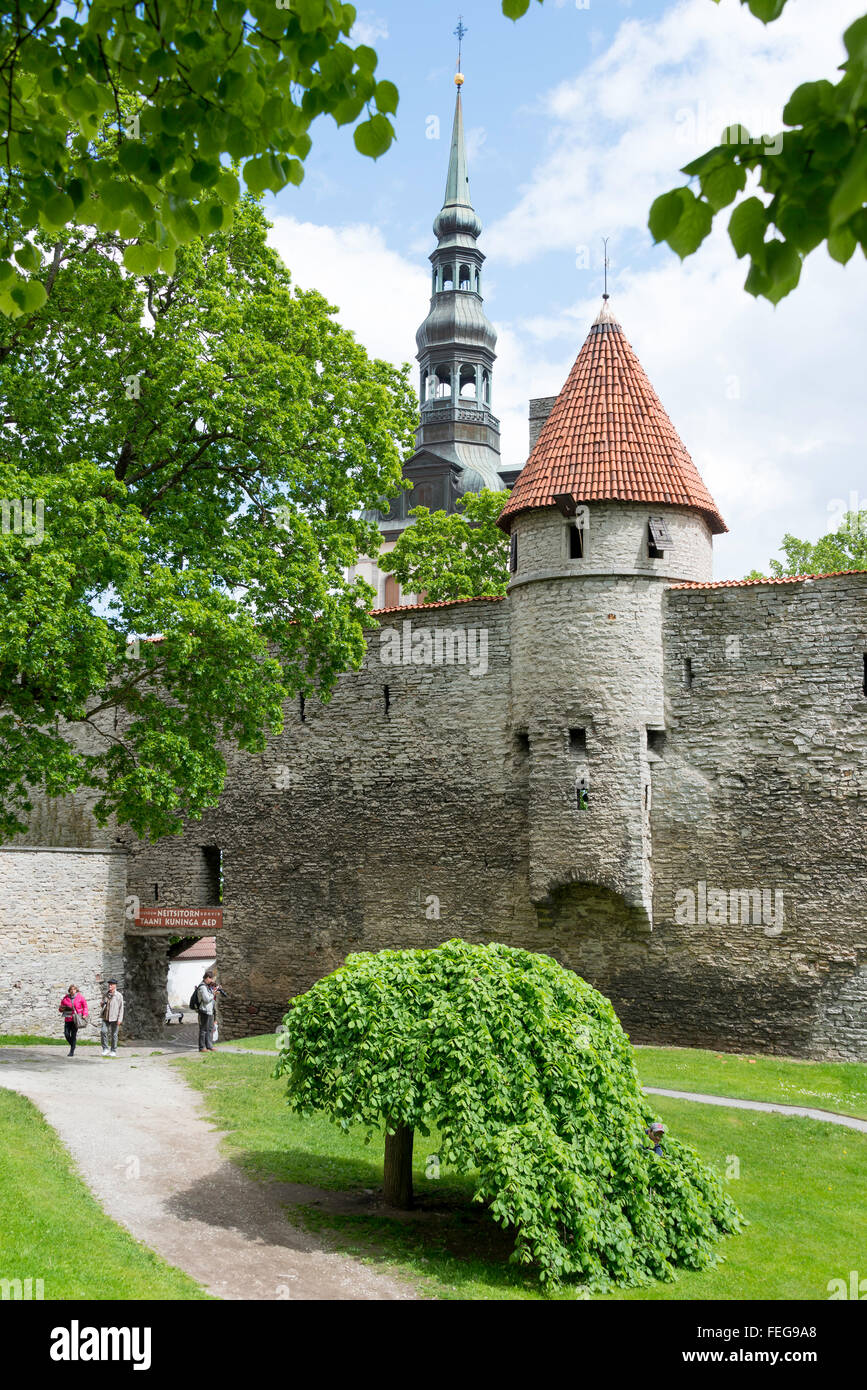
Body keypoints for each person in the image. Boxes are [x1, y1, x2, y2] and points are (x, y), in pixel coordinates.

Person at [195, 970, 225, 1053]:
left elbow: (209, 995)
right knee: (203, 1029)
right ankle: (202, 1047)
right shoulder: (202, 987)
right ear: (207, 978)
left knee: (210, 1029)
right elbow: (206, 999)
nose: (212, 981)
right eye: (211, 979)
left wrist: (214, 990)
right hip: (204, 1010)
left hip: (210, 1011)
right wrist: (214, 994)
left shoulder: (207, 986)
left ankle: (209, 1046)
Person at [58, 985, 88, 1057]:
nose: (72, 991)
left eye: (74, 989)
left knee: (73, 1034)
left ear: (76, 990)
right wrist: (61, 1009)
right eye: (71, 989)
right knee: (66, 1034)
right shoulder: (66, 998)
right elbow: (61, 1008)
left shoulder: (80, 997)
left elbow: (85, 1006)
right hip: (68, 1018)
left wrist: (85, 1014)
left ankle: (72, 1051)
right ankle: (73, 1045)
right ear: (69, 991)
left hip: (76, 1019)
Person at [100, 979, 124, 1057]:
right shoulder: (105, 994)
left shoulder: (119, 995)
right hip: (105, 1017)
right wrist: (102, 1004)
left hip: (115, 1017)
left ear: (115, 985)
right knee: (103, 1031)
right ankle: (105, 1049)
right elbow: (104, 1004)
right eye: (109, 984)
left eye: (111, 984)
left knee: (114, 1034)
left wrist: (120, 1019)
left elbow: (121, 1008)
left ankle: (113, 1050)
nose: (110, 986)